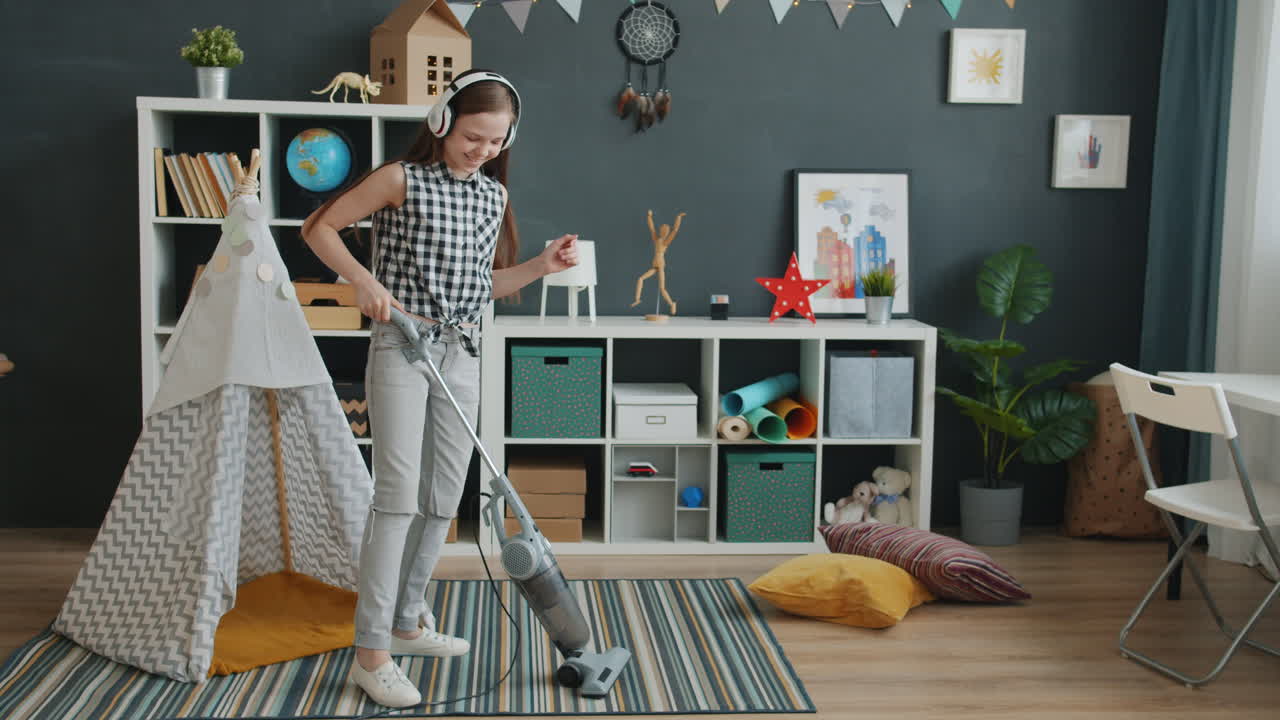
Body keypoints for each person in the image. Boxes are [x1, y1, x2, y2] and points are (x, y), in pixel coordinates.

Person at [301, 69, 578, 708]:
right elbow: (318, 228)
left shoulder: (490, 198)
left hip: (462, 351)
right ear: (441, 121)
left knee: (443, 494)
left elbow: (485, 288)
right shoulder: (400, 178)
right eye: (473, 136)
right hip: (402, 345)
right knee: (396, 497)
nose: (482, 150)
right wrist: (364, 282)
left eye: (496, 142)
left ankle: (407, 619)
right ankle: (371, 653)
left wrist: (541, 265)